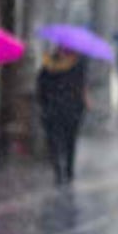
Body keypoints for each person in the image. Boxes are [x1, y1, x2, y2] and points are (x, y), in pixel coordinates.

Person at [36, 46, 87, 185]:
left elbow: (40, 88)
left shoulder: (48, 66)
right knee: (68, 142)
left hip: (54, 110)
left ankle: (60, 170)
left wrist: (45, 104)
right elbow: (80, 87)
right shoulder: (77, 65)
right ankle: (67, 171)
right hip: (69, 110)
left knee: (56, 142)